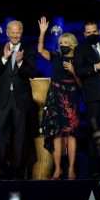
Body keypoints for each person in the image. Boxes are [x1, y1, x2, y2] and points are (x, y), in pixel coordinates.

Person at [0, 20, 36, 180]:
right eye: (12, 32)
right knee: (0, 134)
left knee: (20, 136)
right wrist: (4, 58)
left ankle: (18, 172)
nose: (15, 35)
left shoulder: (28, 50)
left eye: (18, 32)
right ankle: (2, 170)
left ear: (21, 33)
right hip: (3, 99)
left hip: (21, 99)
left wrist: (20, 62)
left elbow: (31, 72)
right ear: (7, 33)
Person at [73, 20, 100, 178]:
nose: (92, 35)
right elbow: (78, 70)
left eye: (94, 32)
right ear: (85, 34)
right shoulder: (80, 49)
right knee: (95, 134)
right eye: (88, 33)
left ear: (99, 32)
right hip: (93, 97)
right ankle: (95, 170)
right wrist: (96, 67)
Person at [37, 17, 80, 180]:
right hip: (55, 96)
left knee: (71, 134)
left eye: (66, 43)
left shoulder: (77, 60)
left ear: (73, 45)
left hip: (71, 96)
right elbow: (40, 50)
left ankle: (71, 169)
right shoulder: (55, 57)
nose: (63, 45)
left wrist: (74, 70)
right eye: (61, 42)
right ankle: (57, 169)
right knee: (56, 134)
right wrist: (42, 33)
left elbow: (82, 83)